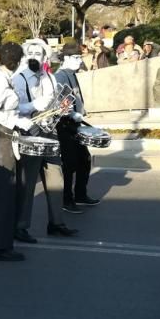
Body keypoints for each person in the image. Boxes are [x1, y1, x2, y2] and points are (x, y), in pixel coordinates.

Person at [13, 45, 77, 240]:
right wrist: (33, 106)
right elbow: (13, 107)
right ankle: (20, 227)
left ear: (44, 58)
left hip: (50, 133)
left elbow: (55, 102)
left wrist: (64, 108)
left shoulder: (49, 78)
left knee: (56, 178)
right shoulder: (19, 78)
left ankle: (56, 223)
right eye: (30, 53)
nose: (34, 57)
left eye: (38, 54)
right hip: (29, 133)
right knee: (28, 182)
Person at [0, 43, 34, 261]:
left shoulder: (4, 77)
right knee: (5, 192)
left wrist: (31, 108)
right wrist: (15, 120)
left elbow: (9, 106)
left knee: (12, 188)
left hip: (4, 135)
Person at [53, 43, 99, 212]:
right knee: (70, 163)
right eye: (76, 57)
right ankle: (66, 200)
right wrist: (72, 114)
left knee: (84, 160)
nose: (79, 60)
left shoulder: (71, 74)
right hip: (65, 125)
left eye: (80, 57)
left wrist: (80, 110)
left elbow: (74, 97)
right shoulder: (60, 76)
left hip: (75, 123)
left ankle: (80, 194)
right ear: (65, 58)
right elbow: (60, 103)